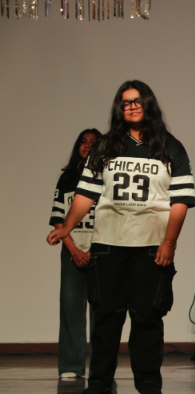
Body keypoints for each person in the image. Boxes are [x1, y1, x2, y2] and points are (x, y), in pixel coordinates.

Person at [47, 80, 195, 394]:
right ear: (119, 108)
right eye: (126, 102)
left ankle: (149, 383)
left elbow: (180, 201)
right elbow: (86, 193)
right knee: (106, 319)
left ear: (149, 104)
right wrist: (67, 226)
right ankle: (99, 383)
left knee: (147, 319)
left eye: (137, 100)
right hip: (108, 245)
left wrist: (169, 242)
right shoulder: (105, 146)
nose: (132, 106)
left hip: (151, 246)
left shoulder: (170, 146)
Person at [50, 128, 102, 379]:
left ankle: (101, 368)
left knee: (102, 312)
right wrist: (74, 250)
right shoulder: (67, 178)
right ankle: (71, 365)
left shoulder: (107, 178)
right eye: (83, 142)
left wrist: (93, 250)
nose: (87, 146)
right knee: (71, 309)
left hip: (101, 254)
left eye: (93, 142)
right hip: (72, 252)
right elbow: (58, 220)